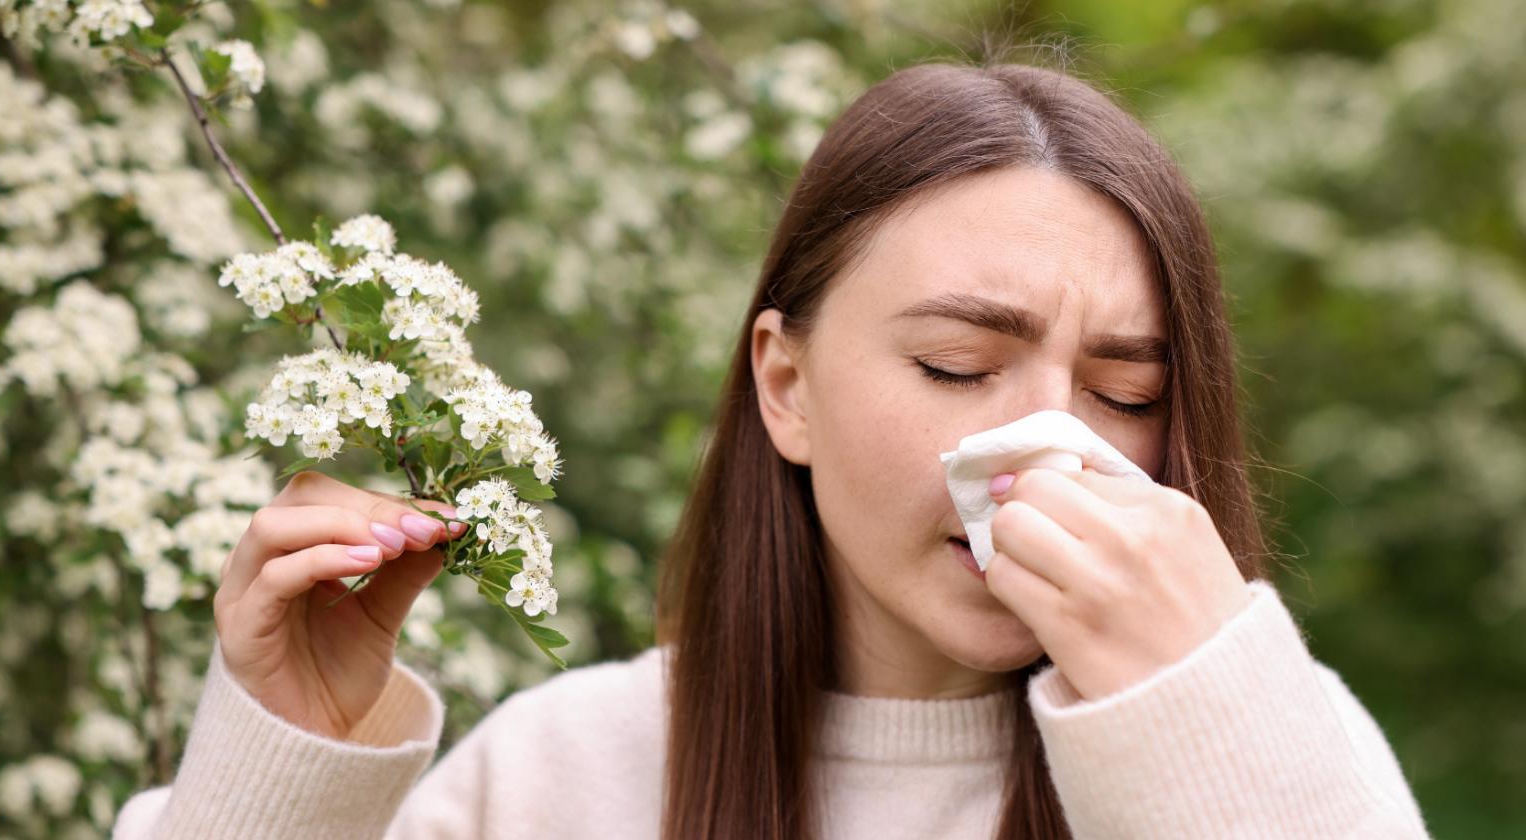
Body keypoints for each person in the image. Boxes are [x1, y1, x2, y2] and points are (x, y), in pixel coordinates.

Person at [113, 60, 1432, 840]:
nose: (1047, 448)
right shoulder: (568, 777)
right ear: (784, 384)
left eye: (1127, 389)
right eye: (956, 367)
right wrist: (282, 767)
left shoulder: (1282, 749)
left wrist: (1199, 723)